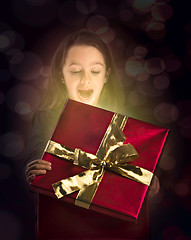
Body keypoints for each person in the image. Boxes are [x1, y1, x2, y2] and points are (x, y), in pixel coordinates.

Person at [25, 29, 159, 239]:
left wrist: (149, 183)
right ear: (61, 75)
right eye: (76, 71)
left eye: (95, 72)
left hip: (114, 228)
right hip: (62, 225)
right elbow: (36, 162)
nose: (85, 80)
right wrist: (33, 170)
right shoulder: (44, 119)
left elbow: (139, 174)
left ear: (106, 76)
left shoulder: (127, 124)